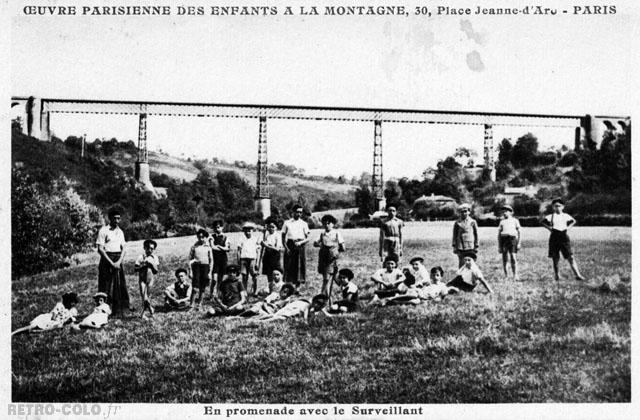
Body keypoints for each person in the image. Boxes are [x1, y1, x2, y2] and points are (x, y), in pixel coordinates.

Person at [96, 207, 131, 316]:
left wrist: (119, 261)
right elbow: (100, 249)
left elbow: (124, 248)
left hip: (118, 258)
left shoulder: (120, 232)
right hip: (107, 259)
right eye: (114, 218)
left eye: (118, 218)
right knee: (106, 285)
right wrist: (111, 263)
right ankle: (104, 309)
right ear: (110, 218)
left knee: (119, 284)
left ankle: (120, 309)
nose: (116, 221)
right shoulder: (103, 230)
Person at [541, 198, 586, 281]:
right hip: (554, 236)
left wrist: (568, 228)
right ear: (553, 207)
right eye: (555, 206)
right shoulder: (551, 216)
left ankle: (578, 275)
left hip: (564, 236)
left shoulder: (566, 216)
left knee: (570, 256)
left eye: (559, 206)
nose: (557, 208)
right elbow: (542, 222)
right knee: (555, 258)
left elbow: (574, 221)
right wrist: (549, 228)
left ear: (563, 207)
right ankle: (557, 275)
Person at [12, 292, 79, 335]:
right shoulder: (60, 305)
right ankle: (15, 332)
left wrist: (67, 319)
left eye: (73, 303)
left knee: (48, 329)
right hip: (49, 319)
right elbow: (53, 316)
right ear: (69, 302)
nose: (73, 305)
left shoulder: (71, 310)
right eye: (72, 303)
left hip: (56, 323)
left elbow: (73, 318)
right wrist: (60, 319)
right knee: (33, 326)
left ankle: (35, 332)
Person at [313, 214, 346, 296]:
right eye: (325, 223)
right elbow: (315, 243)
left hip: (332, 259)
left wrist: (336, 252)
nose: (327, 225)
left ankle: (323, 296)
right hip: (324, 259)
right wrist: (320, 245)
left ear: (333, 224)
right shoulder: (322, 234)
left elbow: (343, 247)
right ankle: (326, 294)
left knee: (328, 278)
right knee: (330, 276)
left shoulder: (336, 233)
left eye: (329, 223)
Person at [282, 205, 310, 287]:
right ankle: (289, 285)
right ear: (293, 212)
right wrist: (286, 248)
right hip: (290, 244)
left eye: (300, 212)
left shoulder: (304, 224)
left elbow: (308, 238)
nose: (299, 214)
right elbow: (283, 237)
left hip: (300, 246)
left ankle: (297, 287)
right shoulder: (287, 223)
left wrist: (301, 242)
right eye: (297, 212)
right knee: (289, 265)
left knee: (299, 265)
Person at [255, 294, 328, 322]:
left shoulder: (313, 310)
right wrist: (306, 323)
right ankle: (260, 321)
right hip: (290, 310)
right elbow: (305, 318)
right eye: (319, 304)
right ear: (314, 302)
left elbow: (326, 314)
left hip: (292, 312)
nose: (320, 307)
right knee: (278, 317)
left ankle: (259, 319)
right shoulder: (307, 306)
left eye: (322, 306)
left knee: (276, 316)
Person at [134, 239, 159, 318]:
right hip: (142, 280)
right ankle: (150, 309)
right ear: (144, 248)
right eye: (148, 248)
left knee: (148, 296)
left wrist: (152, 265)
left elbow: (156, 271)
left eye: (152, 248)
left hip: (150, 280)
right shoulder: (141, 257)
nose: (150, 250)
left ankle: (143, 314)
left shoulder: (155, 258)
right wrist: (144, 265)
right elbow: (135, 268)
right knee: (144, 298)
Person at [189, 229, 213, 309]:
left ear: (206, 237)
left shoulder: (208, 247)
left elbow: (211, 261)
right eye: (199, 237)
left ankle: (199, 304)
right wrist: (190, 271)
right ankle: (191, 305)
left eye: (203, 237)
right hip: (196, 268)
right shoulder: (194, 247)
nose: (201, 239)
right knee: (195, 288)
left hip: (205, 267)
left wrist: (210, 272)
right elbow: (190, 260)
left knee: (202, 288)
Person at [259, 217, 284, 292]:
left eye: (273, 227)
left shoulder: (277, 235)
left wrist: (266, 245)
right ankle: (271, 288)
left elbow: (277, 248)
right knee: (269, 273)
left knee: (276, 272)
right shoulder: (266, 235)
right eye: (269, 227)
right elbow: (262, 245)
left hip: (275, 256)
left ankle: (278, 288)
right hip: (267, 256)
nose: (271, 229)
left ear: (276, 228)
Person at [498, 205, 522, 281]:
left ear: (511, 212)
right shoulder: (502, 222)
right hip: (504, 240)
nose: (504, 213)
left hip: (512, 240)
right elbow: (499, 234)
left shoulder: (515, 221)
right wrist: (499, 245)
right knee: (505, 258)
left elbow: (519, 232)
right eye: (503, 212)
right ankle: (506, 276)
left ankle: (515, 275)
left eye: (506, 211)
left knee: (513, 257)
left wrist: (519, 243)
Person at [209, 220, 231, 300]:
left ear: (222, 227)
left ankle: (218, 294)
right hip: (214, 260)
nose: (217, 229)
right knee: (214, 279)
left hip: (223, 260)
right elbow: (212, 247)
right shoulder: (211, 237)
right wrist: (222, 248)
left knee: (220, 279)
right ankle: (211, 294)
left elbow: (227, 249)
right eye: (215, 228)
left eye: (218, 227)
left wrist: (219, 246)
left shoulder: (225, 237)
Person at [452, 203, 479, 267]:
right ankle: (461, 276)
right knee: (461, 263)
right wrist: (454, 246)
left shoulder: (473, 222)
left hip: (470, 246)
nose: (464, 213)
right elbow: (454, 235)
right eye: (462, 212)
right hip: (460, 246)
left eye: (465, 211)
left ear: (469, 212)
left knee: (470, 263)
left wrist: (476, 246)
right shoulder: (457, 223)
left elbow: (476, 234)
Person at [237, 222, 261, 296]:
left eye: (249, 230)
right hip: (243, 259)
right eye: (246, 231)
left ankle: (255, 291)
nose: (248, 232)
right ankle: (244, 291)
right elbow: (238, 251)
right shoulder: (241, 239)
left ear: (252, 231)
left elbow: (258, 251)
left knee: (254, 275)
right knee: (244, 276)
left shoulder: (255, 239)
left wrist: (257, 262)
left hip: (252, 259)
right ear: (244, 231)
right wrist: (238, 260)